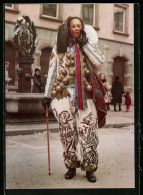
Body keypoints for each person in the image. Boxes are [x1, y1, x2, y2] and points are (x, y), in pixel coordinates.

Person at [42, 17, 107, 183]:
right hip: (62, 93)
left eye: (79, 26)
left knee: (88, 131)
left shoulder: (89, 45)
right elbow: (52, 70)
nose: (76, 28)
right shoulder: (59, 48)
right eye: (73, 26)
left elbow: (99, 61)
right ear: (68, 28)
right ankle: (71, 165)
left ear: (82, 28)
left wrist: (85, 44)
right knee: (67, 131)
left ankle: (90, 167)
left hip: (85, 94)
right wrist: (47, 95)